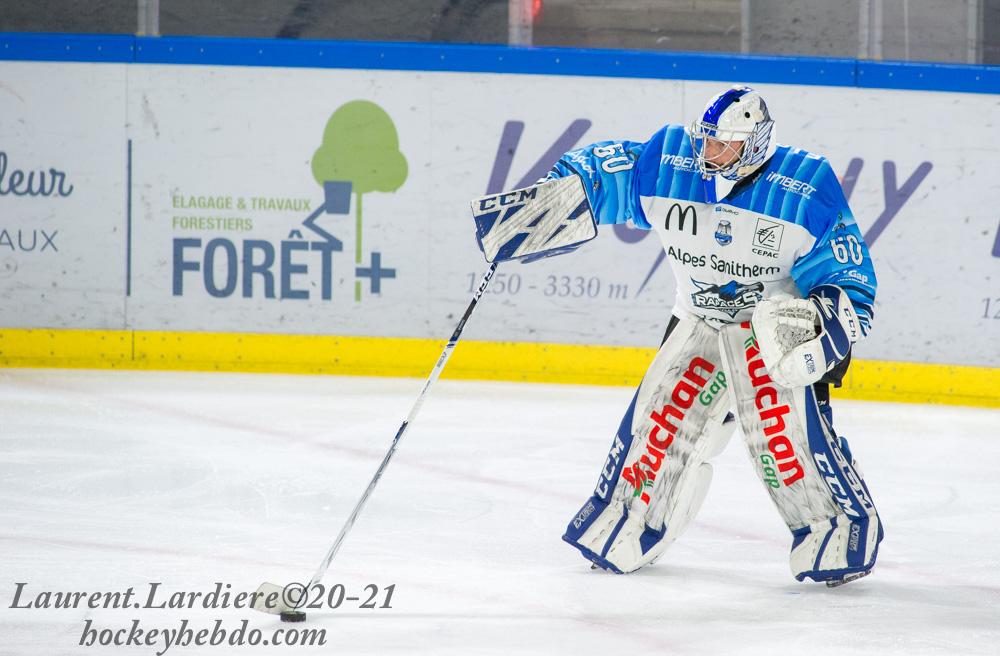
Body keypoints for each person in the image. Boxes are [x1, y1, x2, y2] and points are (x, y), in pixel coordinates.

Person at [554, 85, 883, 585]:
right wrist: (558, 193)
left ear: (754, 144)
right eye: (706, 141)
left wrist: (824, 326)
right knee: (662, 426)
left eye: (722, 145)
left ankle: (836, 530)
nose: (709, 154)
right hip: (698, 319)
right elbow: (608, 173)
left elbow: (846, 274)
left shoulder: (805, 184)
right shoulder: (673, 163)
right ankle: (631, 523)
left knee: (783, 442)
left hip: (772, 333)